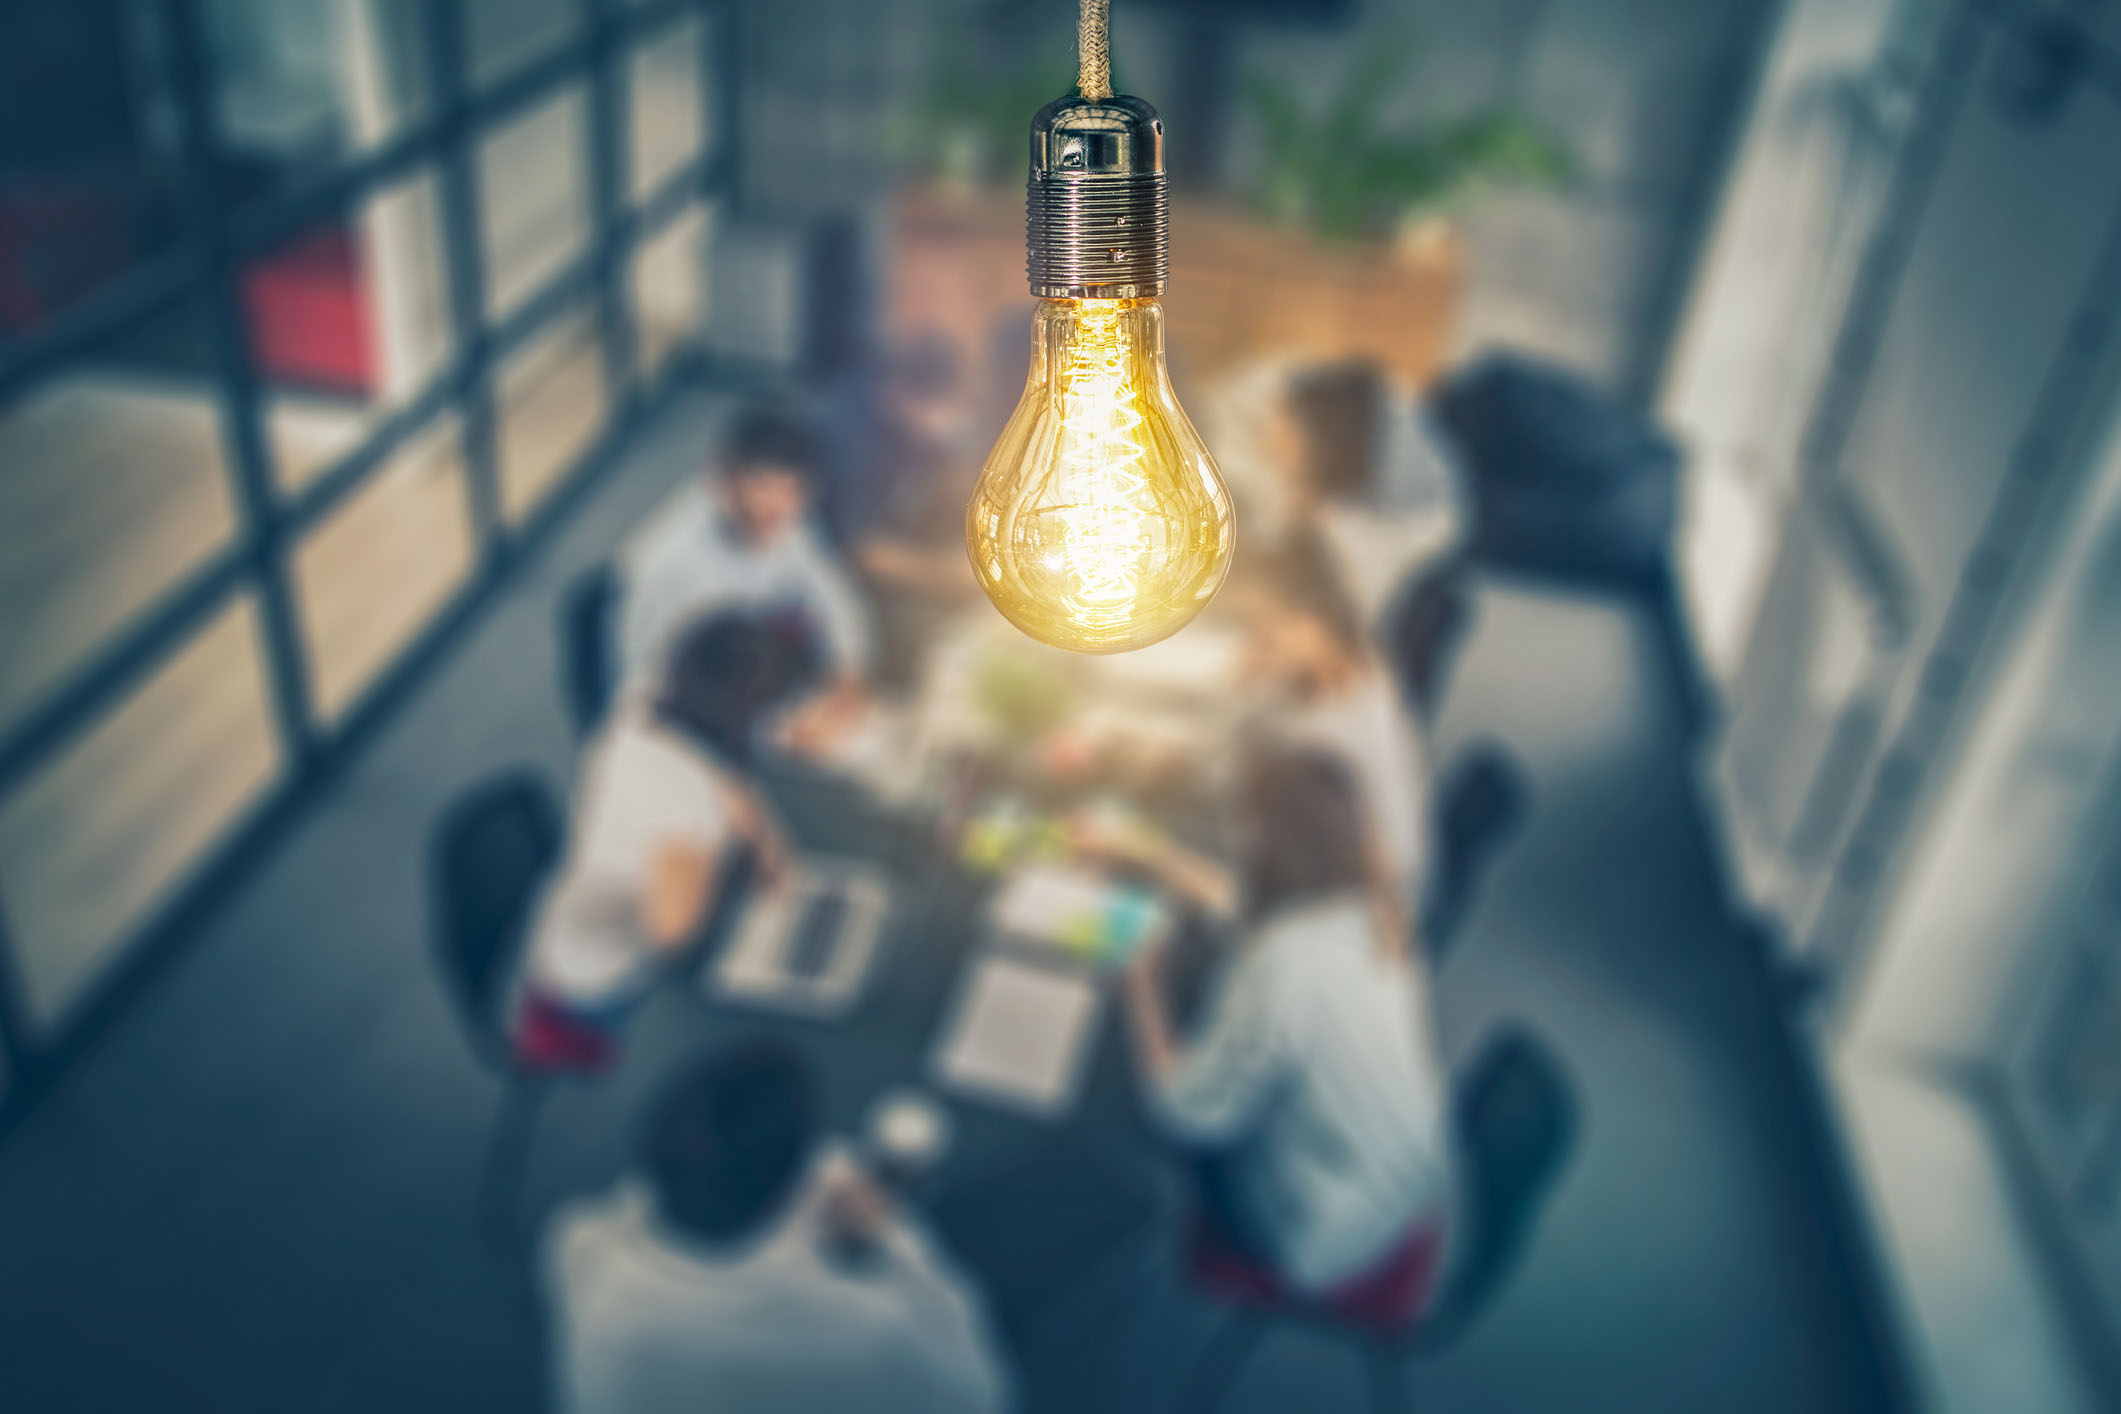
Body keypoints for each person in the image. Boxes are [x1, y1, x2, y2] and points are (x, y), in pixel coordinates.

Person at [1097, 747, 1454, 1301]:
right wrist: (1154, 856)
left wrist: (1140, 980)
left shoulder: (1285, 965)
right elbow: (1249, 908)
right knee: (1215, 1012)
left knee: (1122, 1107)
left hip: (1317, 1231)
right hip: (1402, 1183)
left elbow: (1183, 1111)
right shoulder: (1375, 909)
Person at [545, 1040, 1011, 1414]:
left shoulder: (577, 1245)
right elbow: (984, 1395)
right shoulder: (863, 1329)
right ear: (785, 1195)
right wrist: (891, 1241)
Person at [513, 613, 817, 1071]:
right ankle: (574, 1041)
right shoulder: (686, 808)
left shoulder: (646, 698)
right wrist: (717, 853)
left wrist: (767, 844)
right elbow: (672, 936)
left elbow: (728, 780)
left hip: (567, 915)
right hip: (591, 980)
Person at [620, 400, 871, 746]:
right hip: (683, 728)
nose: (778, 506)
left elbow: (831, 594)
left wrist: (848, 673)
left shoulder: (781, 521)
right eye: (762, 485)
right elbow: (647, 693)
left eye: (794, 491)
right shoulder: (668, 565)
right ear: (723, 478)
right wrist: (773, 736)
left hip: (748, 696)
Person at [1234, 537, 1433, 921]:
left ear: (1314, 624)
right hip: (1358, 886)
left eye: (1265, 629)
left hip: (1351, 907)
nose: (1255, 643)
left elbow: (1248, 788)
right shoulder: (1364, 670)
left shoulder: (1327, 738)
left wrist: (1244, 693)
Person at [1262, 359, 1466, 634]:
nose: (1269, 442)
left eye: (1285, 431)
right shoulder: (1320, 505)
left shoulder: (1359, 530)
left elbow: (1341, 624)